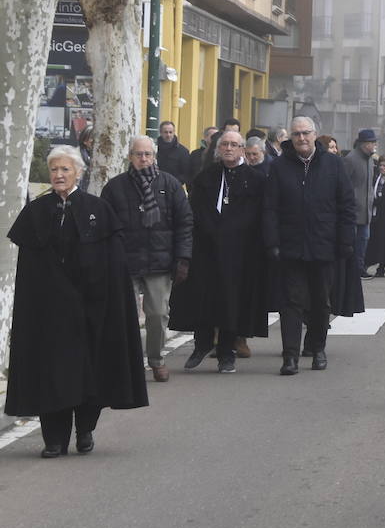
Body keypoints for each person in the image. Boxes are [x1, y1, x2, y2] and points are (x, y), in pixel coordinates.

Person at [4, 145, 149, 456]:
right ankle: (53, 439)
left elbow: (113, 265)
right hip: (49, 312)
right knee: (50, 373)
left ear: (79, 173)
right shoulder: (36, 213)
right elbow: (30, 271)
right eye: (54, 169)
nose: (59, 175)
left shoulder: (98, 209)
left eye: (65, 169)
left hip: (91, 308)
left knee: (90, 371)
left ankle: (85, 430)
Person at [168, 131, 270, 373]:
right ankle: (202, 344)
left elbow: (257, 216)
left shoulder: (255, 180)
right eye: (224, 144)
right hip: (207, 250)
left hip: (239, 253)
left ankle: (227, 352)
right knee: (203, 297)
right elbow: (194, 210)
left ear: (242, 150)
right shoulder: (206, 177)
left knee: (231, 302)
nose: (229, 148)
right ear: (218, 149)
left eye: (234, 145)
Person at [263, 117, 358, 374]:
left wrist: (346, 240)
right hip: (290, 247)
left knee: (320, 302)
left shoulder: (333, 165)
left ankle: (317, 349)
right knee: (291, 303)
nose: (301, 138)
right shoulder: (280, 166)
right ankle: (290, 357)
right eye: (296, 134)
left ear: (315, 134)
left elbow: (347, 206)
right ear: (290, 138)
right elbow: (270, 208)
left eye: (306, 133)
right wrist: (272, 242)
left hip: (324, 246)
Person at [100, 136, 193, 383]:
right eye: (138, 154)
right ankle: (127, 362)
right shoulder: (115, 187)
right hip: (125, 263)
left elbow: (185, 223)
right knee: (125, 315)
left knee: (158, 314)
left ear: (155, 157)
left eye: (147, 154)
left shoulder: (170, 185)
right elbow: (104, 227)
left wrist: (183, 258)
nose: (143, 159)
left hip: (159, 262)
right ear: (130, 157)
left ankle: (156, 360)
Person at [343, 129, 378, 278]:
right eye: (372, 143)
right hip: (353, 211)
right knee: (352, 242)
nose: (374, 145)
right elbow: (344, 184)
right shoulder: (351, 159)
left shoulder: (370, 160)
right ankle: (351, 269)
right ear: (364, 144)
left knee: (363, 241)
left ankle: (359, 268)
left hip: (366, 211)